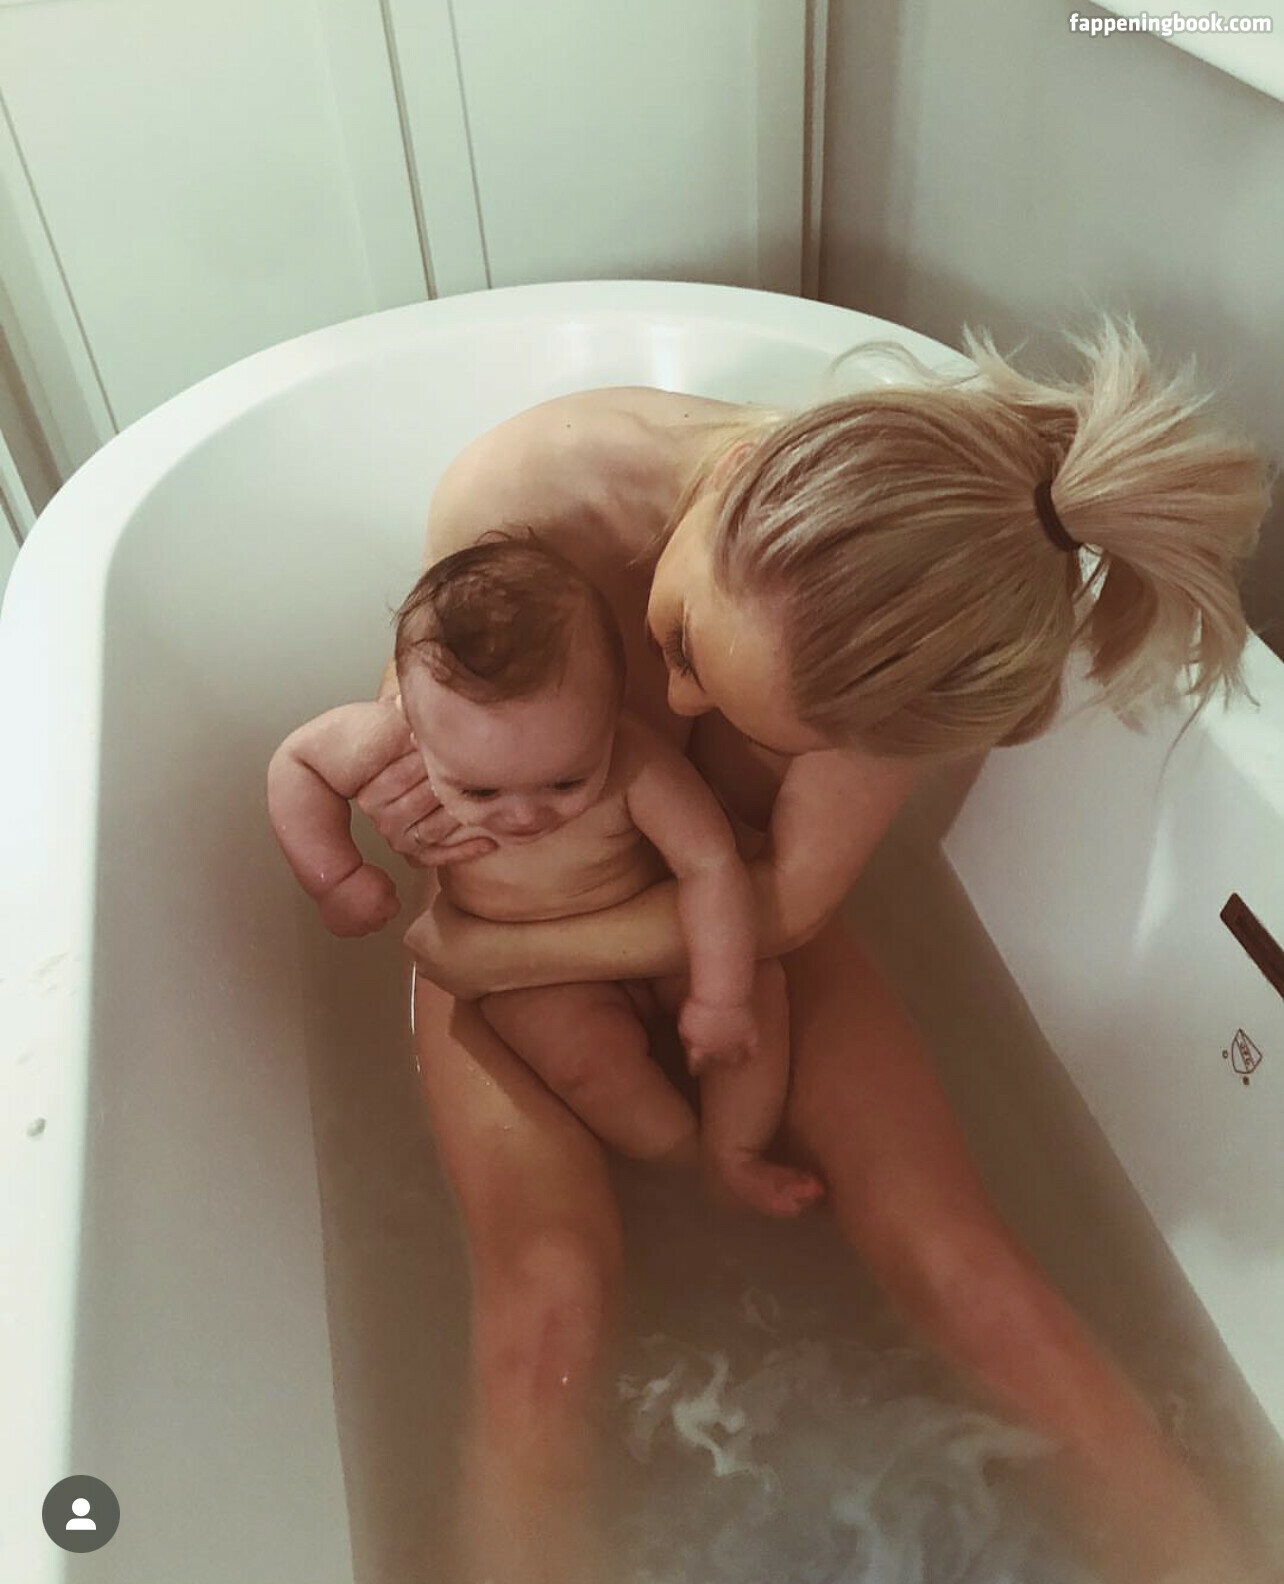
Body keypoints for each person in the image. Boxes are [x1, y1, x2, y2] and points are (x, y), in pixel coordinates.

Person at [339, 321, 1271, 1584]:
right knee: (543, 1314)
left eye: (743, 723)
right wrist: (415, 839)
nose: (673, 704)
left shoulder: (898, 646)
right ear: (735, 489)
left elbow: (779, 905)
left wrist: (498, 958)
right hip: (501, 930)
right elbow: (424, 750)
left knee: (969, 1271)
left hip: (702, 940)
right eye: (680, 645)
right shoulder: (528, 497)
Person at [267, 537, 824, 1217]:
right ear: (411, 724)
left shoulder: (636, 761)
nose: (526, 816)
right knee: (591, 1068)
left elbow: (709, 865)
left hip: (649, 925)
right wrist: (333, 876)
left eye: (566, 782)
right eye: (479, 791)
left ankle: (735, 1152)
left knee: (759, 988)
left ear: (609, 711)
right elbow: (298, 764)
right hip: (529, 976)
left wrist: (720, 998)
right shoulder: (385, 735)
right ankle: (683, 1162)